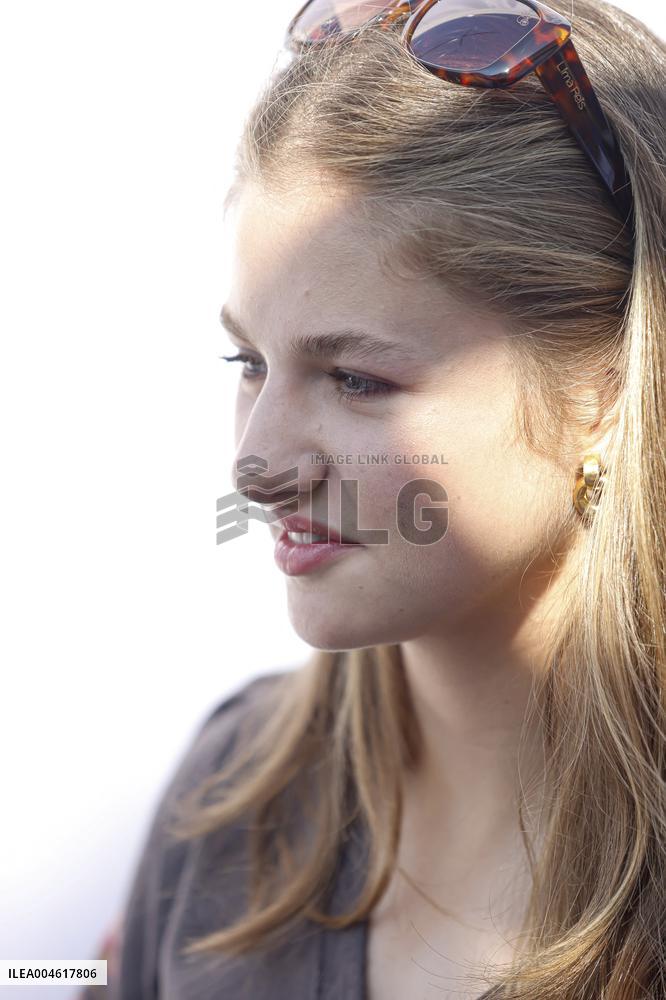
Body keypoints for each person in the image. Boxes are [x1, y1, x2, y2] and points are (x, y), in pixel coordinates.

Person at [87, 0, 665, 996]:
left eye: (356, 379)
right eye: (248, 361)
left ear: (605, 392)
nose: (256, 465)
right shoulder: (229, 804)